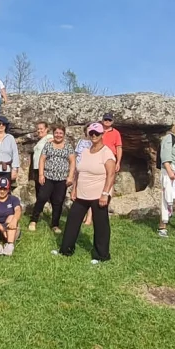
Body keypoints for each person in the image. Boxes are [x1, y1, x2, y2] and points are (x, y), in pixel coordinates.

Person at [54, 123, 116, 264]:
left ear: (102, 134)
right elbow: (78, 171)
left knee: (101, 226)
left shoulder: (106, 152)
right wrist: (74, 189)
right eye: (91, 133)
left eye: (97, 133)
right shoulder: (86, 151)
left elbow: (111, 174)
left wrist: (105, 193)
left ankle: (102, 256)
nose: (94, 136)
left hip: (99, 194)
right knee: (72, 221)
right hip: (82, 193)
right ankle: (66, 250)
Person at [30, 125, 73, 232]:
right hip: (48, 177)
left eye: (60, 133)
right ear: (53, 134)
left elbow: (72, 162)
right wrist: (41, 174)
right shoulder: (48, 145)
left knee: (58, 201)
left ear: (64, 134)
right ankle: (33, 220)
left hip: (61, 179)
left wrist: (70, 176)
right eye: (56, 133)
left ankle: (55, 224)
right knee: (42, 198)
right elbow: (42, 159)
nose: (58, 135)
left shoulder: (68, 146)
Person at [0, 118, 20, 191]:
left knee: (4, 190)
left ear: (6, 126)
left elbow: (15, 153)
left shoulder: (10, 138)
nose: (1, 126)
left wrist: (15, 169)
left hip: (6, 169)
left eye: (3, 124)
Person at [29, 121, 51, 206]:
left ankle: (41, 209)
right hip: (36, 168)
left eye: (41, 128)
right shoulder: (40, 140)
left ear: (46, 129)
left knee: (43, 191)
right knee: (38, 189)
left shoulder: (49, 137)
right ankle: (39, 210)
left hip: (44, 168)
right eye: (38, 129)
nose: (39, 130)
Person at [99, 113, 124, 186]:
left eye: (109, 120)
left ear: (112, 121)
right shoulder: (97, 131)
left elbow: (119, 147)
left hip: (110, 157)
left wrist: (118, 162)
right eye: (105, 119)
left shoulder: (116, 133)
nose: (107, 121)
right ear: (102, 120)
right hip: (98, 155)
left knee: (110, 177)